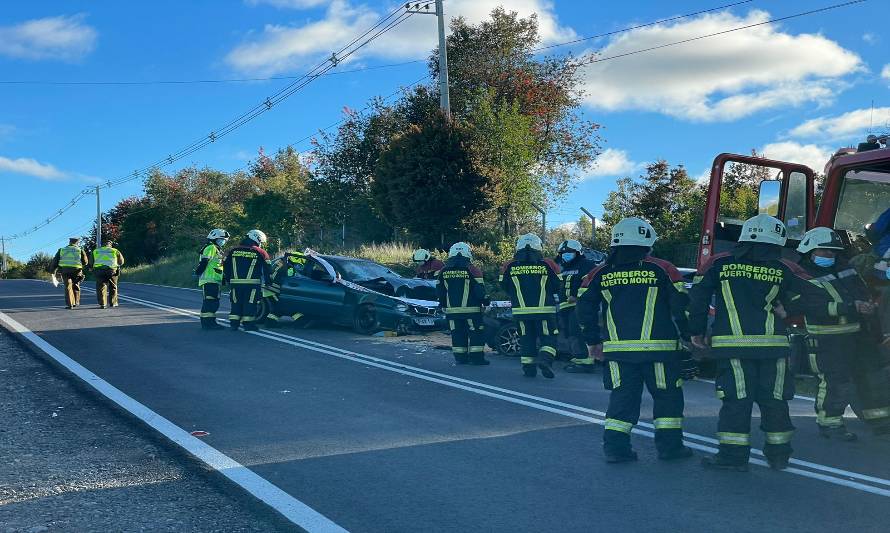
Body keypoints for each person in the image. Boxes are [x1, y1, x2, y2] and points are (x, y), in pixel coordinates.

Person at [689, 214, 827, 471]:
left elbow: (698, 297)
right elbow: (819, 295)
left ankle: (732, 457)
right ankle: (779, 455)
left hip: (731, 348)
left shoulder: (718, 263)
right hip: (773, 349)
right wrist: (790, 310)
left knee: (736, 401)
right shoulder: (784, 267)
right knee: (774, 400)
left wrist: (696, 331)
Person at [576, 218, 695, 463]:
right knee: (667, 399)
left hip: (619, 353)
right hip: (660, 352)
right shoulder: (664, 268)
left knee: (622, 400)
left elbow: (584, 308)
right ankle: (670, 449)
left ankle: (616, 449)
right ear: (647, 243)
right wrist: (689, 336)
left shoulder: (599, 272)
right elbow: (680, 306)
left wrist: (592, 342)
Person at [795, 227, 878, 440]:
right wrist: (852, 307)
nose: (829, 255)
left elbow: (861, 291)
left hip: (857, 335)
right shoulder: (800, 275)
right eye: (824, 251)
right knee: (834, 382)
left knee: (868, 377)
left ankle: (880, 421)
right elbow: (809, 305)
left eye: (833, 251)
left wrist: (868, 305)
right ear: (809, 250)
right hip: (827, 339)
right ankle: (830, 424)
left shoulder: (846, 269)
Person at [500, 233, 561, 378]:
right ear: (538, 246)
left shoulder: (509, 265)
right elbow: (557, 285)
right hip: (545, 311)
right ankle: (545, 360)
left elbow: (505, 286)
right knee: (549, 338)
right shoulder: (548, 263)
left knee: (527, 339)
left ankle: (529, 369)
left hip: (521, 312)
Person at [436, 242, 489, 365]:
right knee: (476, 333)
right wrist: (485, 302)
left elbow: (440, 291)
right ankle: (476, 359)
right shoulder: (472, 269)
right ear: (468, 254)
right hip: (472, 311)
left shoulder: (443, 271)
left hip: (452, 311)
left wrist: (443, 305)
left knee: (457, 334)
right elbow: (479, 290)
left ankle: (460, 358)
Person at [556, 239, 599, 373]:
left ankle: (586, 361)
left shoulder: (586, 265)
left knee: (579, 332)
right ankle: (578, 358)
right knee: (571, 333)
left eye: (569, 253)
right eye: (563, 253)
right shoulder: (564, 268)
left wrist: (578, 297)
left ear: (578, 253)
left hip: (581, 306)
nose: (565, 255)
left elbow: (590, 285)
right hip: (565, 307)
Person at [222, 229, 271, 332]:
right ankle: (248, 325)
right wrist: (268, 282)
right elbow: (267, 268)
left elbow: (225, 265)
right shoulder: (261, 252)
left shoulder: (233, 250)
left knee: (236, 304)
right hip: (252, 284)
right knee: (250, 304)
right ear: (256, 239)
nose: (260, 244)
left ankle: (234, 324)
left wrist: (227, 279)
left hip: (235, 284)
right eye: (260, 242)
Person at [195, 229, 229, 330]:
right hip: (209, 280)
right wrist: (198, 272)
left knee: (214, 303)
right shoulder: (211, 247)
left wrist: (222, 278)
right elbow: (204, 262)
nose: (223, 242)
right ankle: (207, 324)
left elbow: (217, 266)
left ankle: (211, 322)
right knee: (209, 302)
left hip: (215, 281)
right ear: (214, 238)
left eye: (224, 240)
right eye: (221, 239)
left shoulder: (217, 249)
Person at [265, 251, 309, 328]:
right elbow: (290, 279)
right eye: (299, 265)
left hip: (269, 289)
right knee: (281, 307)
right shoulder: (289, 268)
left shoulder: (281, 261)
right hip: (273, 290)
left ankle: (271, 322)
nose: (299, 267)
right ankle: (300, 321)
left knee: (279, 308)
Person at [50, 237, 89, 309]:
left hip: (65, 270)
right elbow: (85, 262)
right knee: (76, 285)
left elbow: (55, 261)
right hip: (77, 270)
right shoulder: (80, 250)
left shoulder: (62, 250)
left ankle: (70, 304)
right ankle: (76, 302)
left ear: (69, 242)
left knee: (68, 286)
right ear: (77, 242)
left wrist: (52, 271)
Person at [91, 240, 125, 309]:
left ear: (103, 245)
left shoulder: (96, 251)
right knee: (113, 286)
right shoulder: (115, 250)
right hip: (112, 271)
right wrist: (117, 264)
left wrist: (92, 267)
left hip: (99, 271)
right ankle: (113, 303)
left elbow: (91, 262)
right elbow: (121, 262)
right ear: (110, 245)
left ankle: (102, 304)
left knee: (101, 287)